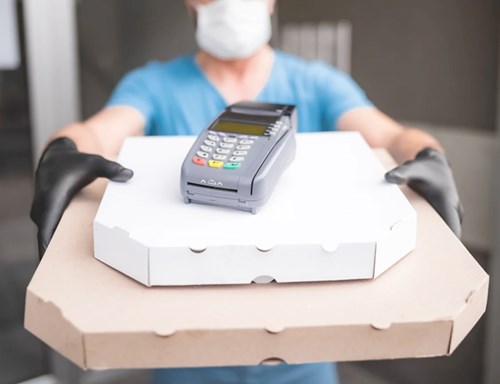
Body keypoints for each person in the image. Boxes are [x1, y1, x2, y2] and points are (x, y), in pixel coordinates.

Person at [30, 0, 463, 383]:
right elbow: (99, 130)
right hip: (183, 352)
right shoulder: (154, 85)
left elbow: (391, 135)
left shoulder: (316, 82)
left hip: (305, 352)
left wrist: (429, 153)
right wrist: (63, 150)